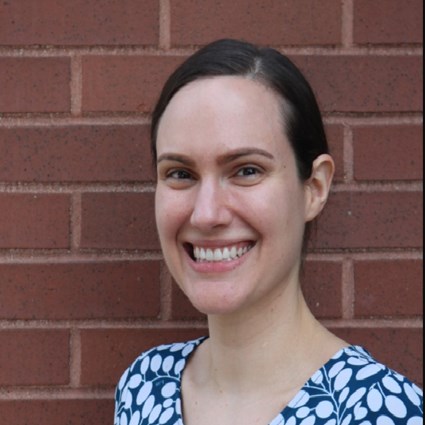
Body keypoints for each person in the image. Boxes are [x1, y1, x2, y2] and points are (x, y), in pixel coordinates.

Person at [114, 39, 423, 425]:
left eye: (246, 170)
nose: (207, 214)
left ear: (314, 188)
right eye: (180, 174)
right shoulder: (144, 386)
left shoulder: (384, 412)